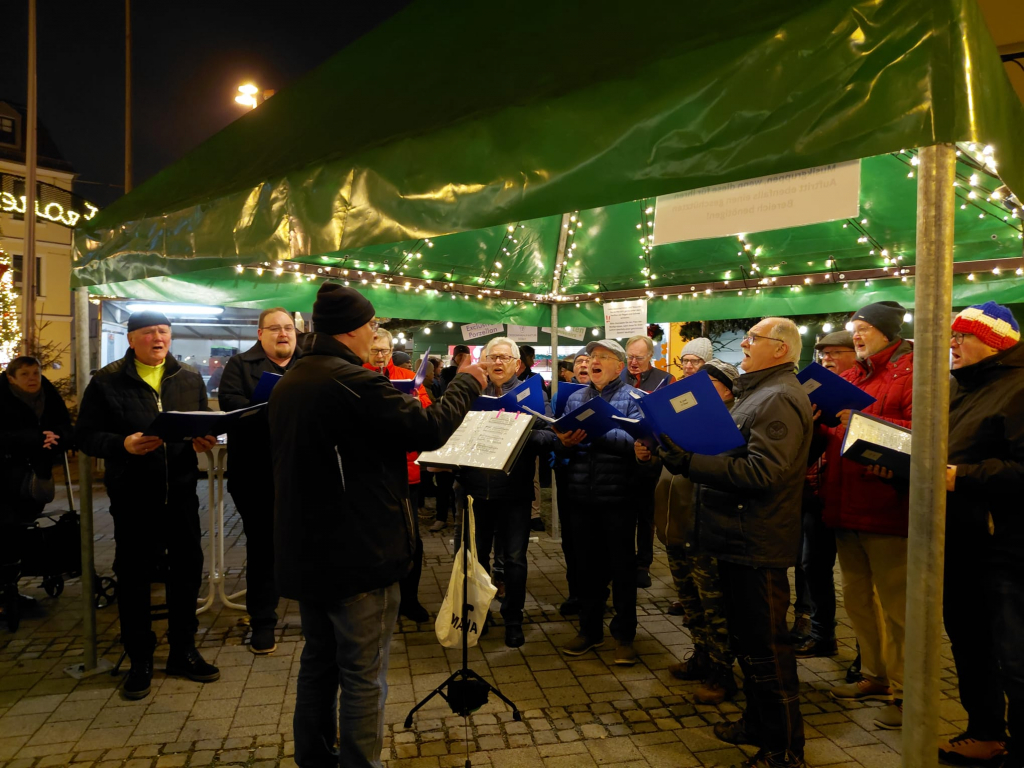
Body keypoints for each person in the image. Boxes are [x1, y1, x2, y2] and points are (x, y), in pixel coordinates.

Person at [270, 283, 488, 768]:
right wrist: (466, 382)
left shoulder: (293, 379)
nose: (375, 332)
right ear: (351, 330)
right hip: (358, 553)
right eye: (371, 324)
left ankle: (314, 757)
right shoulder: (353, 382)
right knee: (363, 674)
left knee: (318, 664)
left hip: (307, 550)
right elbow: (429, 428)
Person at [657, 317, 811, 768]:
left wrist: (691, 463)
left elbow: (765, 472)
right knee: (748, 644)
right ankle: (758, 724)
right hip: (734, 535)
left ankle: (783, 750)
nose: (744, 343)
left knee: (768, 650)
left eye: (754, 338)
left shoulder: (778, 395)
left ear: (780, 349)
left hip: (756, 540)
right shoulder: (758, 391)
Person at [76, 310, 220, 700]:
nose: (159, 338)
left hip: (182, 494)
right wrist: (122, 444)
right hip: (134, 496)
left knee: (186, 572)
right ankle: (139, 657)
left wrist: (205, 437)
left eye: (164, 332)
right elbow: (85, 436)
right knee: (135, 576)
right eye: (150, 332)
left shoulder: (188, 377)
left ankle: (183, 651)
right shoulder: (107, 381)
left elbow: (202, 421)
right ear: (131, 338)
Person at [819, 302, 912, 731]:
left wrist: (861, 420)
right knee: (857, 599)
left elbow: (918, 431)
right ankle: (874, 674)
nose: (856, 335)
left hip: (887, 505)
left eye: (865, 328)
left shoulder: (910, 372)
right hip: (845, 501)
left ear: (887, 332)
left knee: (897, 607)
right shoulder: (854, 376)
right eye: (854, 328)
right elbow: (837, 429)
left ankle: (906, 693)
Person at [938, 302, 1023, 768]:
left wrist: (963, 476)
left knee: (1015, 656)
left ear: (994, 343)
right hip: (961, 540)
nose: (951, 344)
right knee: (970, 644)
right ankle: (985, 732)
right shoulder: (957, 386)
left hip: (1005, 546)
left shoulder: (1018, 387)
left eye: (962, 337)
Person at [649, 359, 739, 705]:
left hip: (703, 530)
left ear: (727, 391)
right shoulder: (683, 417)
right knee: (690, 602)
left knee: (714, 606)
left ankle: (722, 672)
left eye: (708, 384)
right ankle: (701, 656)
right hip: (675, 527)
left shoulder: (730, 422)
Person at [556, 339, 651, 666]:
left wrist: (594, 431)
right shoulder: (575, 398)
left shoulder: (635, 399)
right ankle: (589, 630)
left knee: (622, 570)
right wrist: (565, 441)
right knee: (586, 568)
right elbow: (562, 443)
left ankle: (624, 637)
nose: (593, 361)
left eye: (602, 356)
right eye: (591, 356)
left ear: (619, 366)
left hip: (619, 497)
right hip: (580, 496)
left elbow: (637, 442)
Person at [457, 336, 555, 648]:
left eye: (504, 357)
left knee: (514, 560)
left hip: (514, 492)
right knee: (476, 559)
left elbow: (550, 436)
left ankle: (513, 618)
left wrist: (517, 432)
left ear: (517, 364)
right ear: (484, 361)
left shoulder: (532, 394)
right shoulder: (471, 391)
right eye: (492, 357)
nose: (498, 362)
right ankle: (479, 616)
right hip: (475, 490)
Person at [218, 308, 300, 654]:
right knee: (263, 548)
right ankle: (263, 622)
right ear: (260, 333)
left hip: (303, 473)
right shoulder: (239, 365)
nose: (283, 334)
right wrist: (281, 408)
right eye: (275, 328)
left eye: (288, 328)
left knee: (307, 545)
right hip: (255, 473)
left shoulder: (309, 364)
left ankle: (315, 616)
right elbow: (231, 406)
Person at [792, 331, 857, 657]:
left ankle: (867, 653)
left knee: (857, 579)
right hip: (814, 494)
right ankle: (821, 634)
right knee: (812, 566)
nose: (827, 358)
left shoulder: (861, 393)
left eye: (835, 352)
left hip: (849, 493)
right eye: (824, 353)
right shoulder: (814, 391)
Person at [363, 328, 434, 624]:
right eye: (375, 351)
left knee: (411, 540)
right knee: (372, 540)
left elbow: (427, 414)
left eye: (385, 351)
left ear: (392, 351)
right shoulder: (356, 376)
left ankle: (410, 599)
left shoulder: (407, 377)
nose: (380, 356)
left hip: (407, 472)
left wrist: (414, 402)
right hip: (369, 473)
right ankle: (373, 602)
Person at [0, 356, 72, 619]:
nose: (32, 379)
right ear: (11, 378)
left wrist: (57, 437)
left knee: (22, 528)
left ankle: (11, 586)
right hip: (5, 477)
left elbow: (65, 425)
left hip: (35, 477)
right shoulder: (2, 397)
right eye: (25, 374)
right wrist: (33, 437)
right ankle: (6, 589)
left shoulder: (48, 395)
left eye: (36, 373)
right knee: (6, 529)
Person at [622, 334, 677, 588]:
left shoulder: (665, 379)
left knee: (646, 515)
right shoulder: (618, 377)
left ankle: (643, 564)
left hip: (650, 456)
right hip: (622, 454)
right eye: (630, 357)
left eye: (639, 357)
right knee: (623, 514)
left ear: (650, 357)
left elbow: (670, 417)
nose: (633, 362)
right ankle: (622, 561)